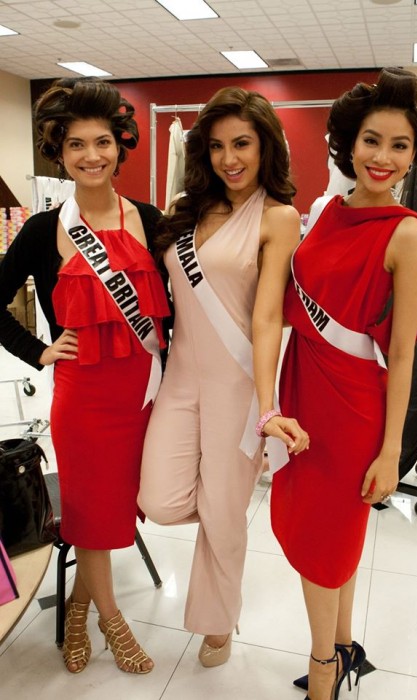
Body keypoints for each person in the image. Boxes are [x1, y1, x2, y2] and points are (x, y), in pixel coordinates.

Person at [256, 67, 417, 700]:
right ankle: (341, 646)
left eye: (399, 145)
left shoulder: (408, 234)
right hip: (304, 386)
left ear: (414, 156)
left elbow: (404, 353)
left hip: (353, 407)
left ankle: (322, 670)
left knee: (324, 539)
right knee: (330, 536)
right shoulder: (327, 213)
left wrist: (392, 452)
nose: (383, 157)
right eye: (372, 140)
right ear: (350, 144)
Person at [0, 77, 171, 674]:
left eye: (102, 142)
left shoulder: (151, 220)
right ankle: (111, 621)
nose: (91, 155)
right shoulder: (41, 230)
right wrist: (39, 351)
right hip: (84, 400)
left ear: (120, 147)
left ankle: (78, 606)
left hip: (146, 394)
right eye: (76, 144)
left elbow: (180, 308)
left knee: (115, 509)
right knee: (92, 513)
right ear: (59, 151)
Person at [138, 86, 309, 667]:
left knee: (224, 514)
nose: (229, 159)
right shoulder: (187, 207)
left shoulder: (279, 217)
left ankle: (217, 620)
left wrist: (268, 405)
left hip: (238, 385)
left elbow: (267, 318)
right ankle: (221, 507)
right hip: (181, 380)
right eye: (216, 146)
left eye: (242, 144)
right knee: (160, 501)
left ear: (266, 148)